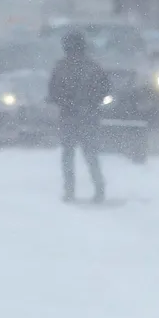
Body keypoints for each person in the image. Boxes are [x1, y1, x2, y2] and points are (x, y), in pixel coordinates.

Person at [46, 31, 111, 203]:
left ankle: (70, 191)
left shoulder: (60, 67)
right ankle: (99, 189)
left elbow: (53, 92)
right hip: (89, 116)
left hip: (68, 117)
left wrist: (64, 102)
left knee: (68, 155)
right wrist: (92, 102)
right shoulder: (93, 67)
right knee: (91, 155)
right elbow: (105, 89)